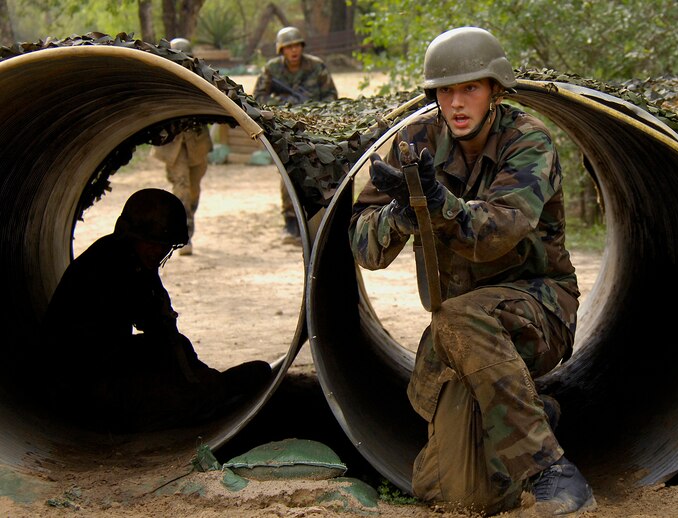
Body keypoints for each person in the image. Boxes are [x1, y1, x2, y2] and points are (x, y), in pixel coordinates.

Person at [349, 27, 595, 516]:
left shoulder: (529, 141)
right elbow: (365, 250)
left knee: (459, 318)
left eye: (470, 89)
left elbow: (496, 234)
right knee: (462, 495)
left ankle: (550, 467)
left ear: (495, 91)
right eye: (445, 91)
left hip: (536, 311)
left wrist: (437, 204)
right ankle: (534, 415)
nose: (456, 103)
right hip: (457, 333)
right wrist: (401, 213)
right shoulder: (415, 142)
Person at [41, 189, 271, 432]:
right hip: (78, 383)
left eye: (165, 246)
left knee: (171, 349)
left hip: (103, 365)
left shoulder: (132, 258)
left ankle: (210, 389)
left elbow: (161, 330)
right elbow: (151, 323)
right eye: (151, 243)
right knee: (170, 396)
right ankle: (209, 395)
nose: (158, 252)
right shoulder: (109, 267)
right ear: (130, 236)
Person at [253, 26, 338, 244]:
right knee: (288, 173)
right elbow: (258, 97)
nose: (294, 51)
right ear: (281, 49)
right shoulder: (272, 69)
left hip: (315, 129)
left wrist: (315, 108)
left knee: (320, 174)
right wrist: (283, 105)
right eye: (289, 47)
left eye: (297, 46)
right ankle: (291, 224)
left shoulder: (316, 66)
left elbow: (332, 96)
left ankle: (319, 223)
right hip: (285, 130)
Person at [153, 37, 213, 255]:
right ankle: (184, 236)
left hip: (197, 142)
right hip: (173, 145)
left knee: (194, 190)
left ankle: (189, 219)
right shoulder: (159, 79)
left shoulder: (203, 76)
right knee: (182, 188)